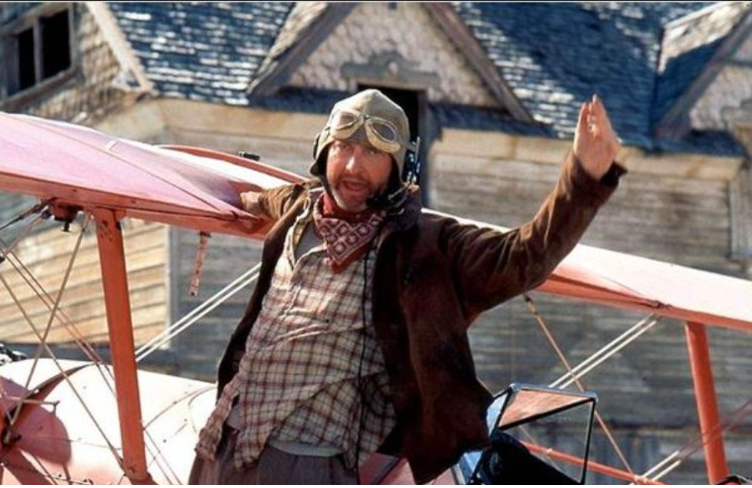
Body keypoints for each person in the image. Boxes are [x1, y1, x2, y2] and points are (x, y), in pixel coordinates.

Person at [189, 88, 625, 484]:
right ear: (323, 151)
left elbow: (522, 256)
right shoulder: (300, 209)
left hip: (308, 462)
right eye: (344, 147)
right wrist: (238, 196)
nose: (354, 167)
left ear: (400, 167)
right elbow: (272, 197)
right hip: (221, 443)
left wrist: (583, 178)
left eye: (374, 152)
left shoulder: (424, 243)